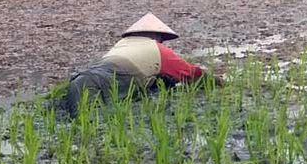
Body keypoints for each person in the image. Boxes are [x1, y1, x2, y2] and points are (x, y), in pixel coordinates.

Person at [64, 13, 215, 115]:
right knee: (96, 126)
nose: (161, 41)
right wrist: (219, 83)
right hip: (99, 86)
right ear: (156, 36)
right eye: (161, 38)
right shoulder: (157, 49)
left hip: (80, 81)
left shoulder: (121, 45)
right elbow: (191, 74)